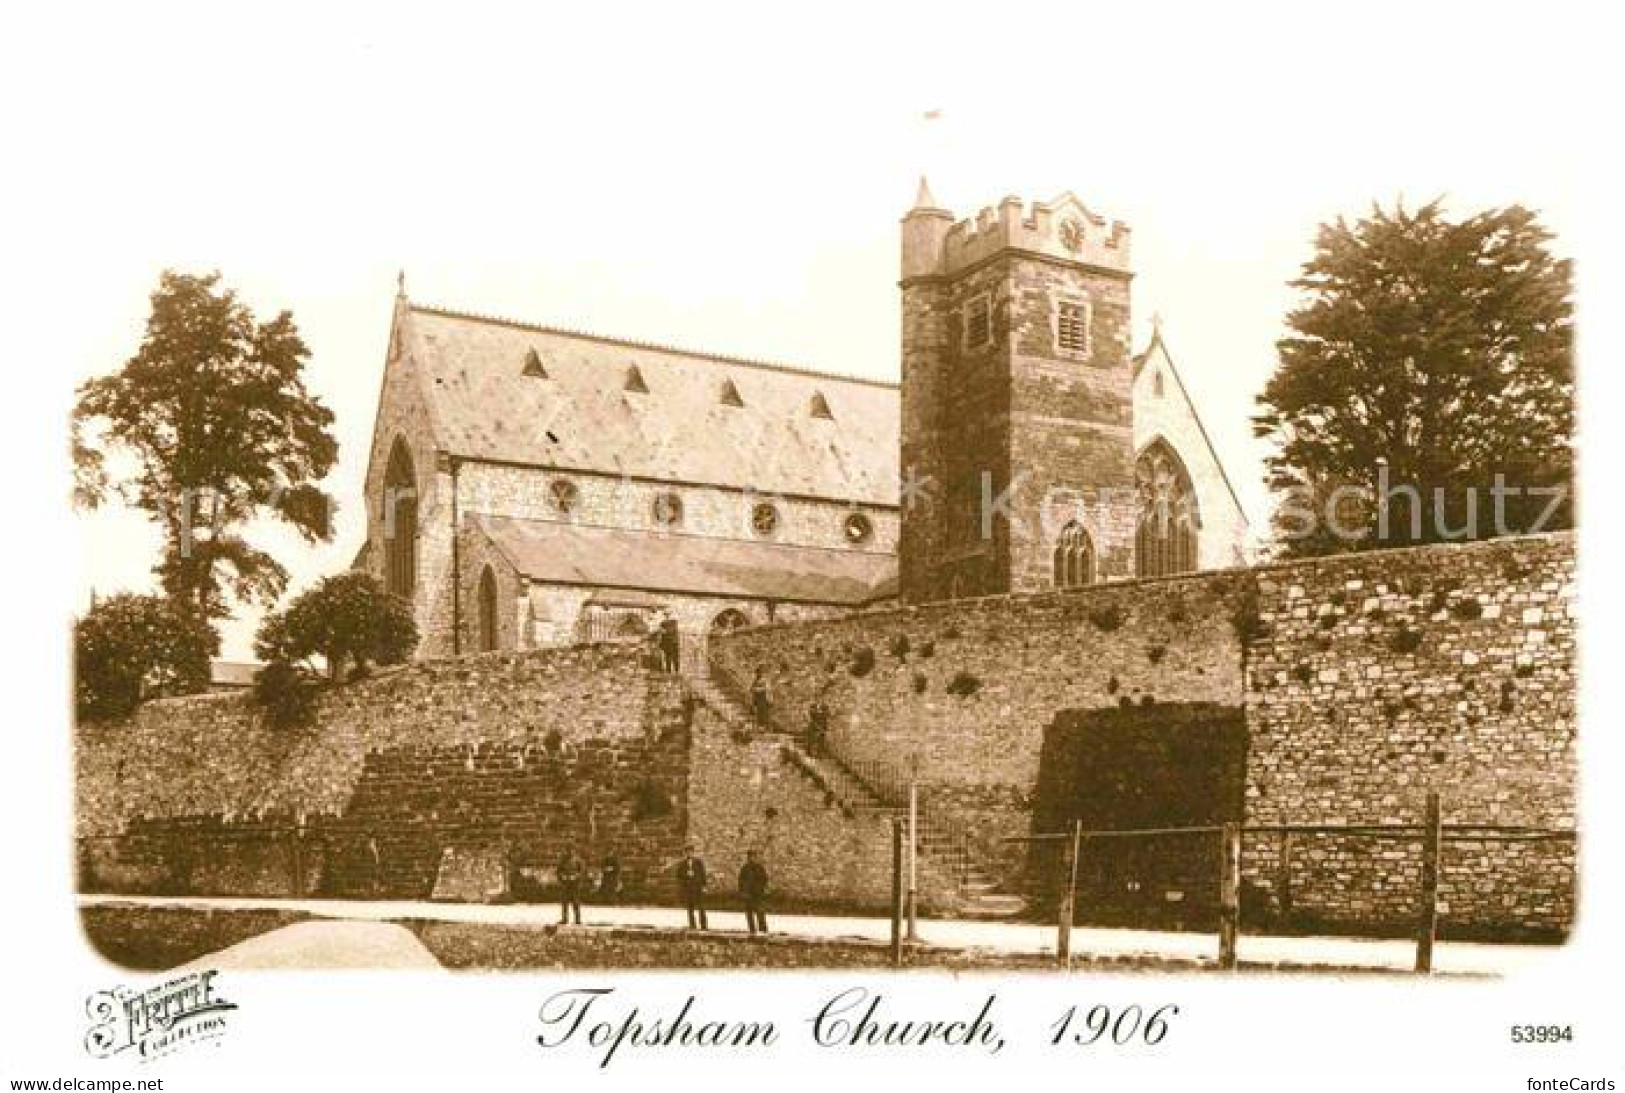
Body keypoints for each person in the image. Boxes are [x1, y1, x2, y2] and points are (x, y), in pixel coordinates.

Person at [676, 845, 708, 929]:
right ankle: (692, 925)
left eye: (690, 851)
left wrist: (704, 886)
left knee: (701, 907)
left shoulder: (698, 862)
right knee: (690, 908)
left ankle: (704, 925)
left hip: (698, 888)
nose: (689, 853)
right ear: (685, 853)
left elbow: (703, 874)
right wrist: (686, 875)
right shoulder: (682, 864)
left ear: (693, 852)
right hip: (688, 889)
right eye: (687, 852)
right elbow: (679, 876)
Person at [738, 849, 769, 936]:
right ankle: (752, 930)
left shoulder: (760, 868)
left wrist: (762, 889)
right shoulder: (745, 869)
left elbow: (764, 880)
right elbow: (740, 881)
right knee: (749, 913)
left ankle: (763, 930)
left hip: (757, 894)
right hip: (748, 894)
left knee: (760, 912)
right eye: (750, 857)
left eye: (754, 857)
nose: (752, 859)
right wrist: (742, 891)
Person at [557, 846, 585, 925]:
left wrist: (575, 877)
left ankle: (577, 919)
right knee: (564, 902)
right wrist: (563, 876)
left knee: (575, 902)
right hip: (566, 884)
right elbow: (558, 871)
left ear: (574, 851)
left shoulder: (578, 860)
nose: (569, 852)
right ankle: (565, 919)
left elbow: (582, 871)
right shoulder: (562, 860)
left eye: (571, 850)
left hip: (574, 885)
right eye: (568, 850)